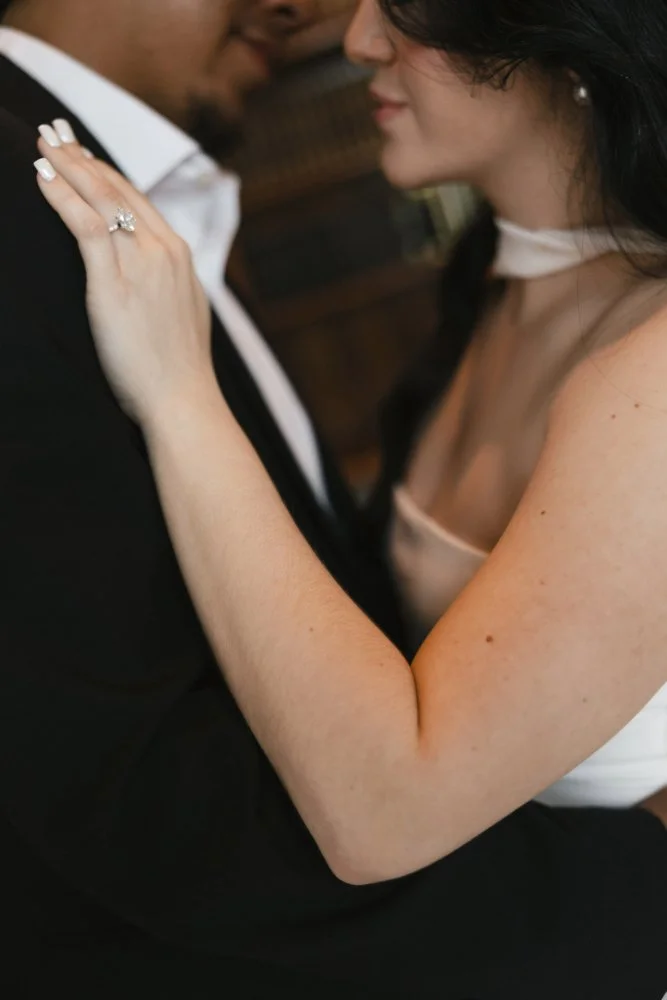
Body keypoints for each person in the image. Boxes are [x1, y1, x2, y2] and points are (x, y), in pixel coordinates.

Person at [2, 0, 666, 996]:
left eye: (408, 10)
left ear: (569, 43)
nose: (355, 40)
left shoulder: (649, 365)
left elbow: (383, 811)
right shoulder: (484, 287)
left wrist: (180, 392)